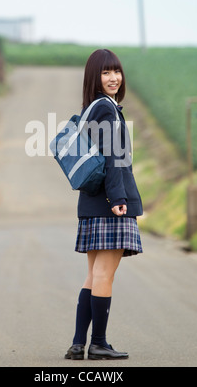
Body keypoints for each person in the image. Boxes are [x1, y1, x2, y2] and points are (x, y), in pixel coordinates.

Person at [65, 49, 143, 361]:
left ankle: (77, 344)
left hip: (90, 202)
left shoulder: (90, 109)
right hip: (110, 203)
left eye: (117, 71)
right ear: (95, 78)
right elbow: (113, 158)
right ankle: (98, 343)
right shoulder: (107, 111)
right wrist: (119, 199)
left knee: (94, 274)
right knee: (104, 275)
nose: (113, 78)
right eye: (106, 73)